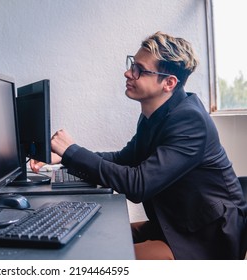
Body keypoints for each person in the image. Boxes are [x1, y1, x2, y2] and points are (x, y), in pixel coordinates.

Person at [30, 31, 247, 260]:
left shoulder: (190, 121)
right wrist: (64, 157)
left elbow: (138, 184)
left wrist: (72, 151)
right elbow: (124, 158)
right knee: (91, 238)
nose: (128, 73)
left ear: (169, 83)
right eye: (132, 64)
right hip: (175, 224)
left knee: (101, 260)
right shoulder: (156, 114)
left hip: (206, 237)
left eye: (139, 70)